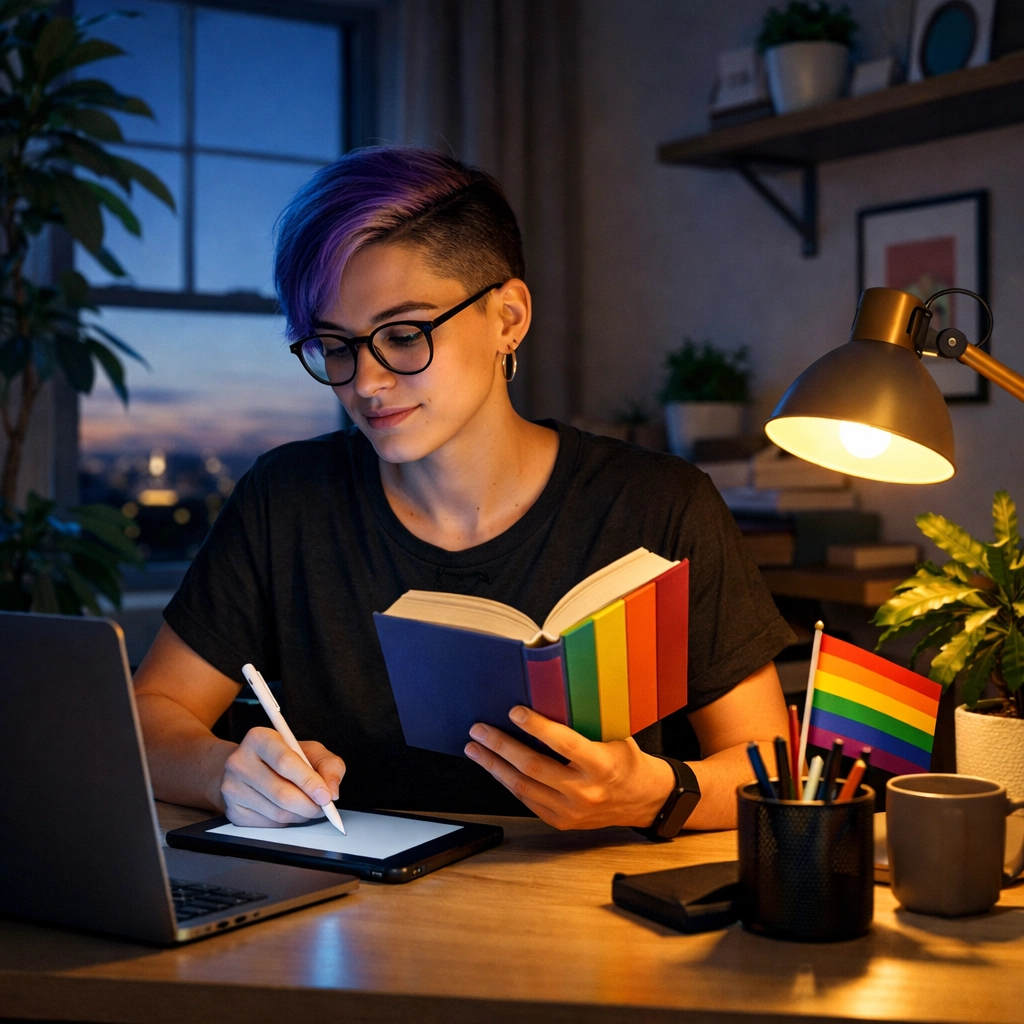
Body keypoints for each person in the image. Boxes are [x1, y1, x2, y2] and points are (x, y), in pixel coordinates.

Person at [134, 146, 794, 835]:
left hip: (594, 916)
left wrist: (657, 793)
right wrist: (222, 773)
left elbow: (764, 764)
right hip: (344, 919)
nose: (366, 381)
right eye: (335, 345)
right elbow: (151, 715)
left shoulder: (661, 503)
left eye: (403, 334)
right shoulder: (286, 501)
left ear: (508, 317)